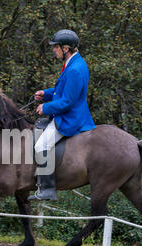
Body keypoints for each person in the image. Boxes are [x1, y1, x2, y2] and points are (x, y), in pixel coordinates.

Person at [28, 29, 96, 201]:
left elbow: (68, 101)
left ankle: (47, 190)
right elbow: (62, 92)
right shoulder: (74, 63)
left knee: (40, 146)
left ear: (66, 48)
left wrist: (46, 108)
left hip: (70, 118)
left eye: (56, 47)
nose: (54, 50)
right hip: (71, 111)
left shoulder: (75, 69)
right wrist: (46, 93)